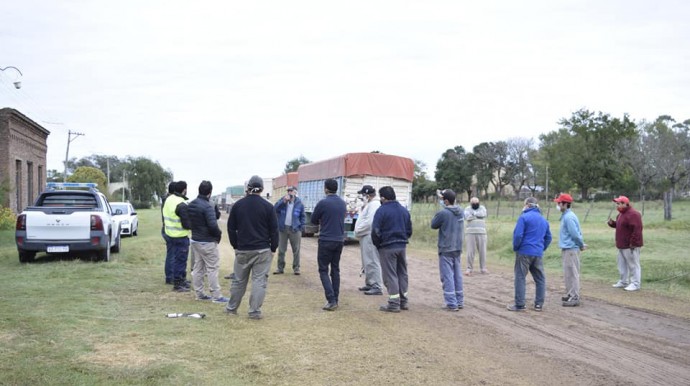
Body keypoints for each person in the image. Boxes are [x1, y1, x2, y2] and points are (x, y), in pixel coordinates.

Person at [225, 176, 279, 320]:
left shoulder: (238, 205)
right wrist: (273, 247)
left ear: (248, 188)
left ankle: (232, 308)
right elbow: (274, 230)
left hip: (243, 249)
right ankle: (254, 311)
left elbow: (231, 228)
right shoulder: (268, 207)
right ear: (262, 189)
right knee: (259, 281)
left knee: (238, 280)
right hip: (262, 250)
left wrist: (235, 245)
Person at [372, 186, 413, 313]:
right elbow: (409, 230)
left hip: (387, 247)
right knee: (402, 273)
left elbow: (375, 231)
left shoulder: (381, 211)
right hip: (401, 246)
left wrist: (378, 245)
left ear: (383, 198)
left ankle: (394, 303)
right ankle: (403, 301)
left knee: (390, 275)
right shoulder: (404, 210)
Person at [507, 197, 552, 312]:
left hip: (524, 252)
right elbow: (548, 237)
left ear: (527, 205)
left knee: (520, 277)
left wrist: (516, 247)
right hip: (538, 253)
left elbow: (518, 236)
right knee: (540, 279)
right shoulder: (544, 220)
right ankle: (538, 304)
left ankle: (520, 304)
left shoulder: (523, 218)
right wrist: (542, 248)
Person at [188, 180, 228, 303]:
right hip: (207, 241)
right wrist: (219, 235)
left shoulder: (191, 204)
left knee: (198, 268)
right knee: (212, 268)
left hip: (195, 240)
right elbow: (212, 225)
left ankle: (199, 293)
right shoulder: (207, 206)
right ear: (209, 193)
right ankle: (216, 295)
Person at [311, 178, 347, 311]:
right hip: (339, 240)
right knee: (335, 269)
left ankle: (331, 299)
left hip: (326, 240)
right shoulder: (342, 203)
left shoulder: (323, 203)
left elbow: (314, 220)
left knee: (323, 269)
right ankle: (336, 299)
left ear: (326, 189)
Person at [431, 189, 465, 311]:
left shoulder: (443, 213)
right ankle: (459, 300)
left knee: (447, 276)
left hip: (446, 247)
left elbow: (433, 225)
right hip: (457, 247)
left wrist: (439, 210)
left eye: (442, 199)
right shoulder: (461, 211)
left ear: (446, 200)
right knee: (457, 275)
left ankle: (451, 302)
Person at [554, 193, 586, 307]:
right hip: (567, 248)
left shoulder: (569, 217)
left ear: (565, 204)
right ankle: (570, 294)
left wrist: (581, 244)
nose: (558, 205)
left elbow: (575, 234)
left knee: (572, 273)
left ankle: (575, 297)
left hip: (571, 249)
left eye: (559, 203)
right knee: (568, 273)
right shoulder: (566, 216)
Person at [607, 196, 644, 291]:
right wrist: (612, 223)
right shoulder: (621, 214)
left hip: (630, 245)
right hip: (621, 244)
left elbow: (637, 230)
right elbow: (621, 226)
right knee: (622, 264)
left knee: (633, 265)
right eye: (617, 203)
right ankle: (623, 281)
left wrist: (634, 243)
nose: (617, 205)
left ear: (625, 204)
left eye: (619, 203)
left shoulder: (634, 214)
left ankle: (635, 284)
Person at [354, 185, 384, 296]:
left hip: (369, 235)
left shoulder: (374, 205)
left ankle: (376, 285)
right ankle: (370, 283)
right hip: (365, 236)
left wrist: (358, 231)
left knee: (372, 260)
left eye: (362, 195)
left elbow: (369, 222)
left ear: (367, 195)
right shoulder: (369, 205)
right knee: (367, 261)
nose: (361, 197)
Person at [163, 181, 192, 292]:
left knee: (173, 257)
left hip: (169, 233)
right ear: (184, 190)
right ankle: (178, 283)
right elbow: (186, 224)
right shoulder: (181, 203)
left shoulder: (169, 199)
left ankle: (180, 279)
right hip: (180, 235)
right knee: (180, 260)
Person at [273, 186, 306, 275]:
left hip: (295, 229)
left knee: (296, 250)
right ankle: (280, 268)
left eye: (291, 191)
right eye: (288, 191)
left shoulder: (299, 203)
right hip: (283, 228)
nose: (289, 192)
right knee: (281, 249)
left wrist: (301, 227)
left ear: (295, 192)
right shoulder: (282, 200)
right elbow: (275, 209)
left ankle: (296, 268)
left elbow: (303, 216)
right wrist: (283, 201)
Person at [464, 196, 488, 276]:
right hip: (470, 232)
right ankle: (469, 268)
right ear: (471, 203)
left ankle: (483, 268)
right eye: (473, 203)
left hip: (482, 233)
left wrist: (473, 214)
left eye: (476, 203)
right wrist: (476, 215)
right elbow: (467, 217)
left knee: (482, 251)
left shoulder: (482, 208)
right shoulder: (467, 209)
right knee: (470, 251)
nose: (475, 204)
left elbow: (483, 214)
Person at [161, 181, 176, 285]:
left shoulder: (165, 199)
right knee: (172, 254)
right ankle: (170, 277)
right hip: (170, 230)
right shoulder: (169, 201)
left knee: (171, 253)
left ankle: (170, 276)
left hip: (166, 229)